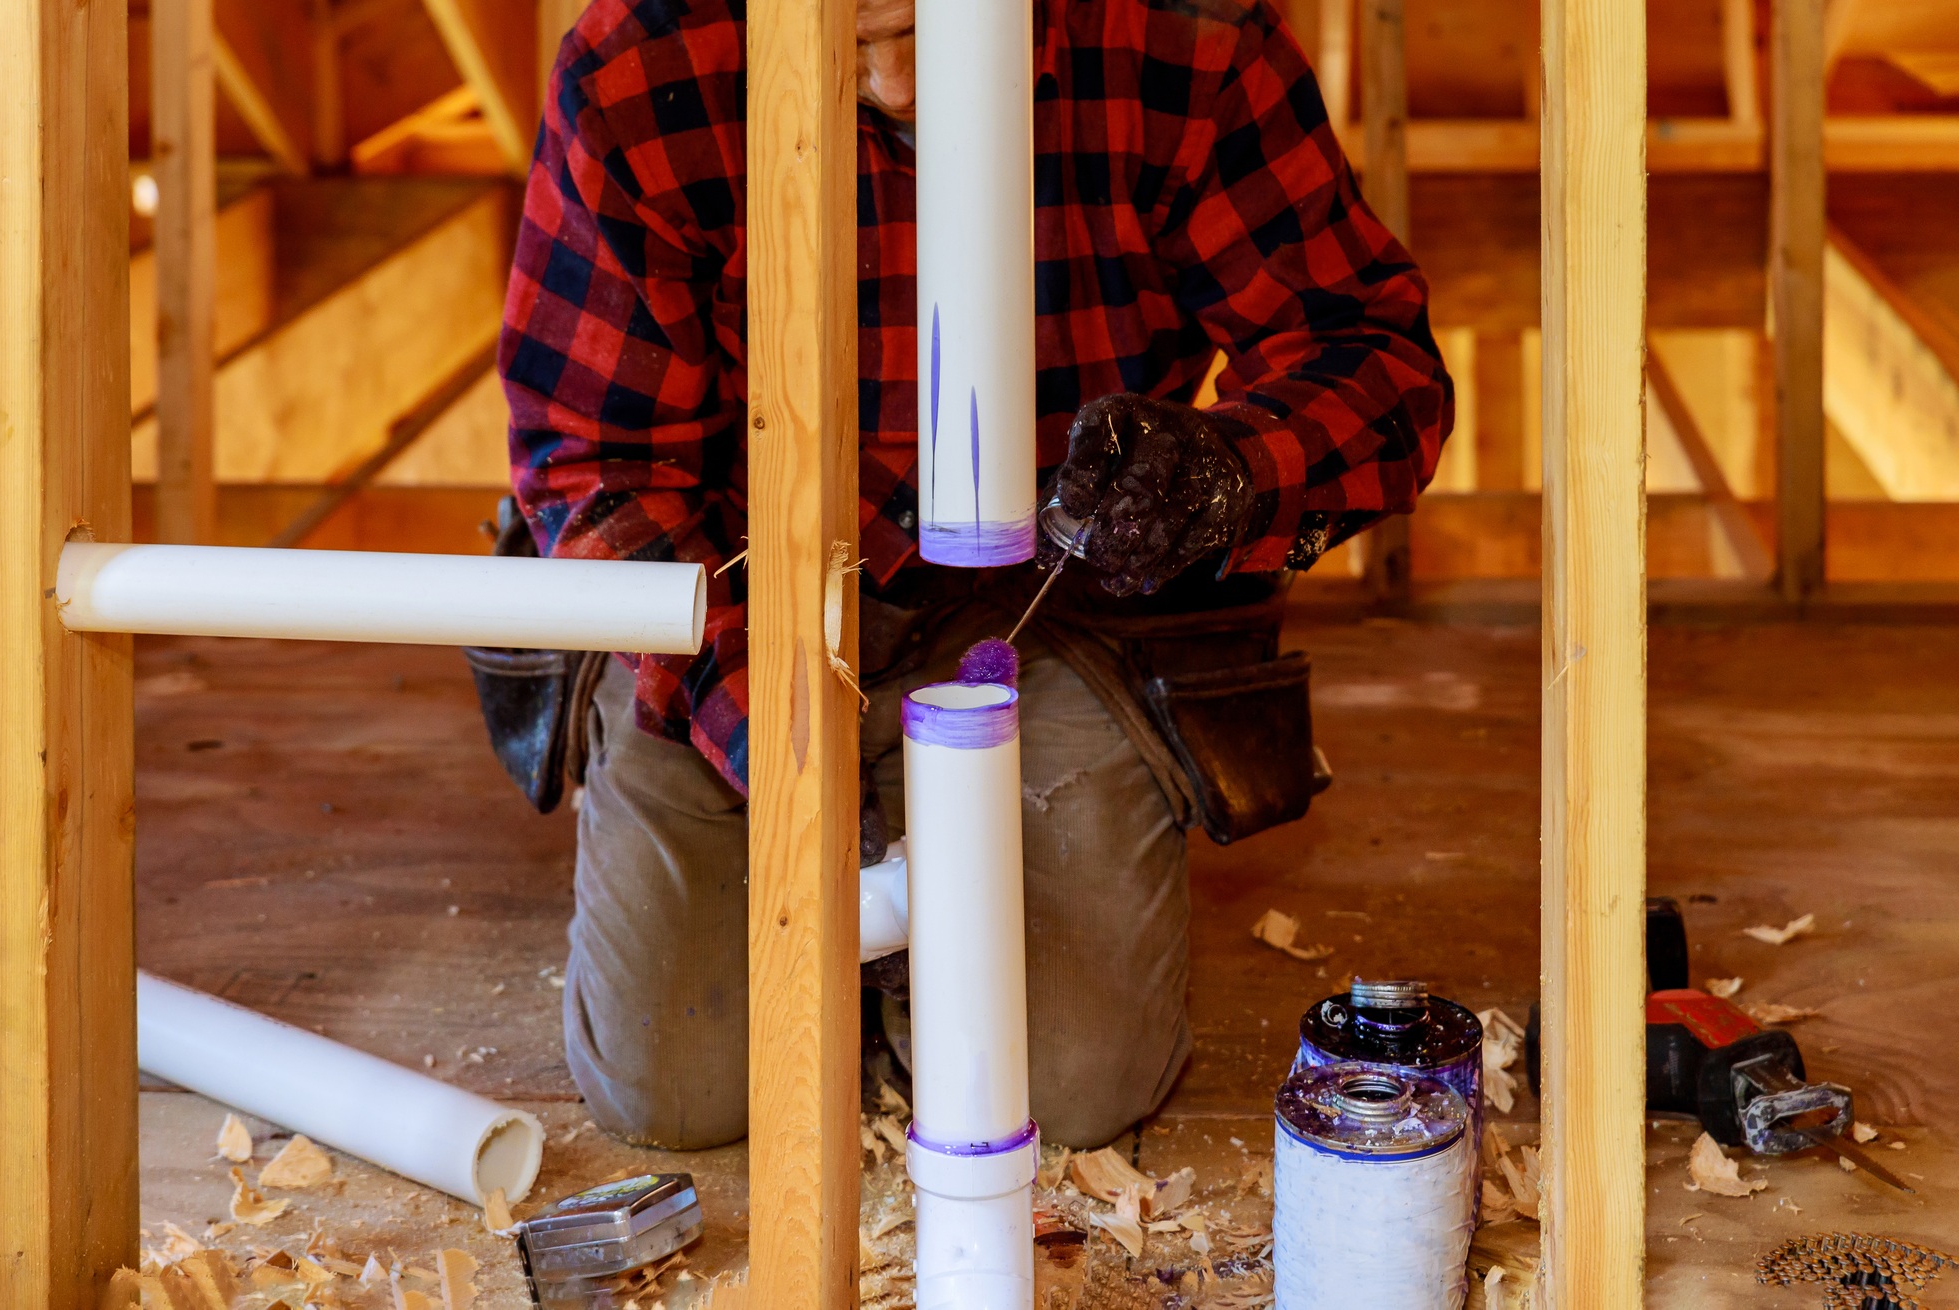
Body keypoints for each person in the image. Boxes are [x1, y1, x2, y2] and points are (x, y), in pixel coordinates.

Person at [499, 0, 1452, 1152]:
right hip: (739, 581)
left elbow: (1376, 358)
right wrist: (778, 740)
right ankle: (863, 894)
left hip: (1057, 600)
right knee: (682, 1087)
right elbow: (594, 459)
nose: (899, 86)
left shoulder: (1184, 41)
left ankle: (904, 924)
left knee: (1063, 1088)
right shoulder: (644, 62)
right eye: (851, 46)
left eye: (925, 32)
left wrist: (1227, 467)